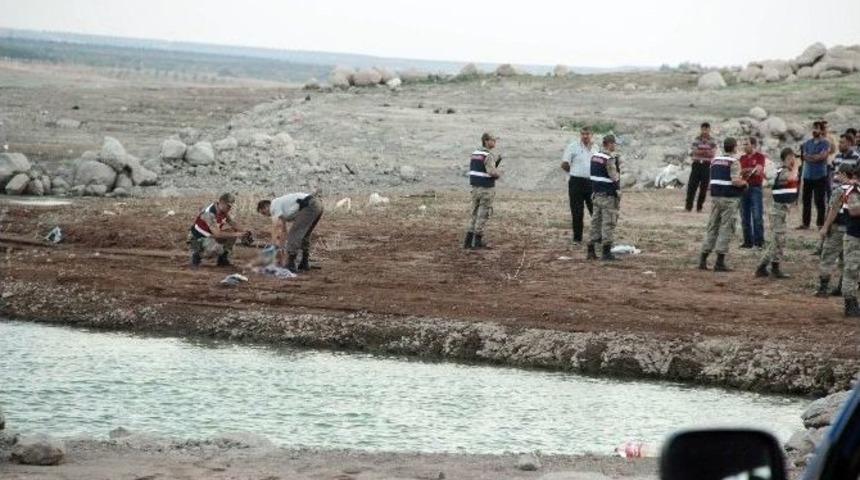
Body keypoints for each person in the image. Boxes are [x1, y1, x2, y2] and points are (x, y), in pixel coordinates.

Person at [698, 137, 747, 272]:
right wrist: (745, 183)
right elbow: (735, 181)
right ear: (734, 147)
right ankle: (719, 261)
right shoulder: (734, 162)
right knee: (726, 228)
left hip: (716, 198)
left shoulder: (715, 161)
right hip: (729, 199)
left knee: (712, 227)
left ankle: (703, 258)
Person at [755, 148, 799, 278]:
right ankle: (768, 267)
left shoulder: (784, 171)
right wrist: (796, 166)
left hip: (782, 210)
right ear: (788, 157)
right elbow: (791, 179)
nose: (794, 161)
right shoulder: (784, 172)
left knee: (778, 240)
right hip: (778, 211)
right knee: (778, 240)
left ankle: (766, 267)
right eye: (793, 158)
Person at [256, 192, 324, 273]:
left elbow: (279, 229)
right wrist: (281, 247)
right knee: (304, 235)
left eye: (264, 213)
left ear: (266, 206)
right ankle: (304, 263)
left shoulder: (274, 205)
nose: (267, 215)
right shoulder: (280, 206)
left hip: (309, 205)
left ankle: (290, 264)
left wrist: (276, 248)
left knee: (294, 234)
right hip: (317, 205)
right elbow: (283, 231)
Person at [816, 163, 856, 296]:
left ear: (844, 174)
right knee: (845, 260)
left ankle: (823, 288)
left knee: (827, 258)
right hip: (851, 231)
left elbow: (833, 210)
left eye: (838, 173)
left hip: (837, 229)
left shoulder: (840, 190)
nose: (836, 176)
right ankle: (841, 287)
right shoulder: (855, 188)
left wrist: (825, 227)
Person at [188, 192, 250, 267]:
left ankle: (223, 259)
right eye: (228, 206)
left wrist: (245, 231)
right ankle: (197, 255)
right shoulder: (209, 214)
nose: (230, 209)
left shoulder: (222, 210)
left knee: (231, 232)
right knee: (218, 249)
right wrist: (237, 234)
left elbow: (232, 222)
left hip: (209, 235)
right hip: (197, 239)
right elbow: (217, 234)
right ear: (222, 203)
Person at [464, 132, 502, 249]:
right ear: (486, 141)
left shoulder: (475, 153)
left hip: (475, 188)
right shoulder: (488, 155)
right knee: (483, 214)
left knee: (474, 214)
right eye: (492, 140)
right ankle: (477, 242)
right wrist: (499, 173)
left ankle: (468, 241)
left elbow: (479, 168)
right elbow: (491, 172)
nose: (494, 142)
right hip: (486, 189)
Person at [561, 126, 598, 244]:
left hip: (591, 182)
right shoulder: (573, 146)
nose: (585, 136)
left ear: (592, 135)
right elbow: (564, 164)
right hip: (576, 182)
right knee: (577, 211)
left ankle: (598, 237)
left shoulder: (596, 148)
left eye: (587, 134)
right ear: (580, 135)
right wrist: (573, 172)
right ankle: (577, 238)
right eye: (583, 134)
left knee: (595, 210)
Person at [587, 135, 621, 261]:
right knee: (608, 222)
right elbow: (614, 177)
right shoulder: (609, 159)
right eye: (614, 144)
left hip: (596, 194)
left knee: (595, 222)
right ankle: (606, 252)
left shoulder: (595, 157)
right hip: (608, 196)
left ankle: (590, 250)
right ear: (610, 144)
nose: (614, 146)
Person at [799, 122, 832, 229]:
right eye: (813, 128)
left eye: (817, 128)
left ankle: (820, 224)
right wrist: (813, 157)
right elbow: (804, 156)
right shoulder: (807, 143)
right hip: (807, 176)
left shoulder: (825, 143)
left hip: (820, 176)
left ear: (822, 130)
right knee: (806, 200)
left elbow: (822, 157)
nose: (814, 130)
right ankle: (805, 223)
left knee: (819, 201)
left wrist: (811, 157)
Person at [739, 137, 767, 248]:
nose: (744, 146)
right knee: (744, 216)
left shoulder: (760, 157)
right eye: (744, 144)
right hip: (743, 188)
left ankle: (759, 242)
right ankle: (748, 242)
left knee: (757, 215)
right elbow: (739, 172)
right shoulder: (742, 158)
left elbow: (758, 171)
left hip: (755, 188)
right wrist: (750, 170)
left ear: (753, 145)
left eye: (747, 144)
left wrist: (746, 171)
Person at [685, 122, 718, 212]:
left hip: (706, 165)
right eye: (703, 129)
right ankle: (688, 207)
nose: (705, 131)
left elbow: (712, 153)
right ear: (701, 129)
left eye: (706, 129)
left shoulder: (712, 140)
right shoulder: (696, 139)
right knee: (692, 186)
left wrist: (700, 150)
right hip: (696, 164)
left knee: (704, 187)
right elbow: (694, 151)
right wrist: (705, 151)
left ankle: (699, 207)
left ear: (709, 130)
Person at [841, 172, 860, 317]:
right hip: (854, 238)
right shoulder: (853, 191)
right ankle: (850, 304)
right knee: (851, 271)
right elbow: (854, 211)